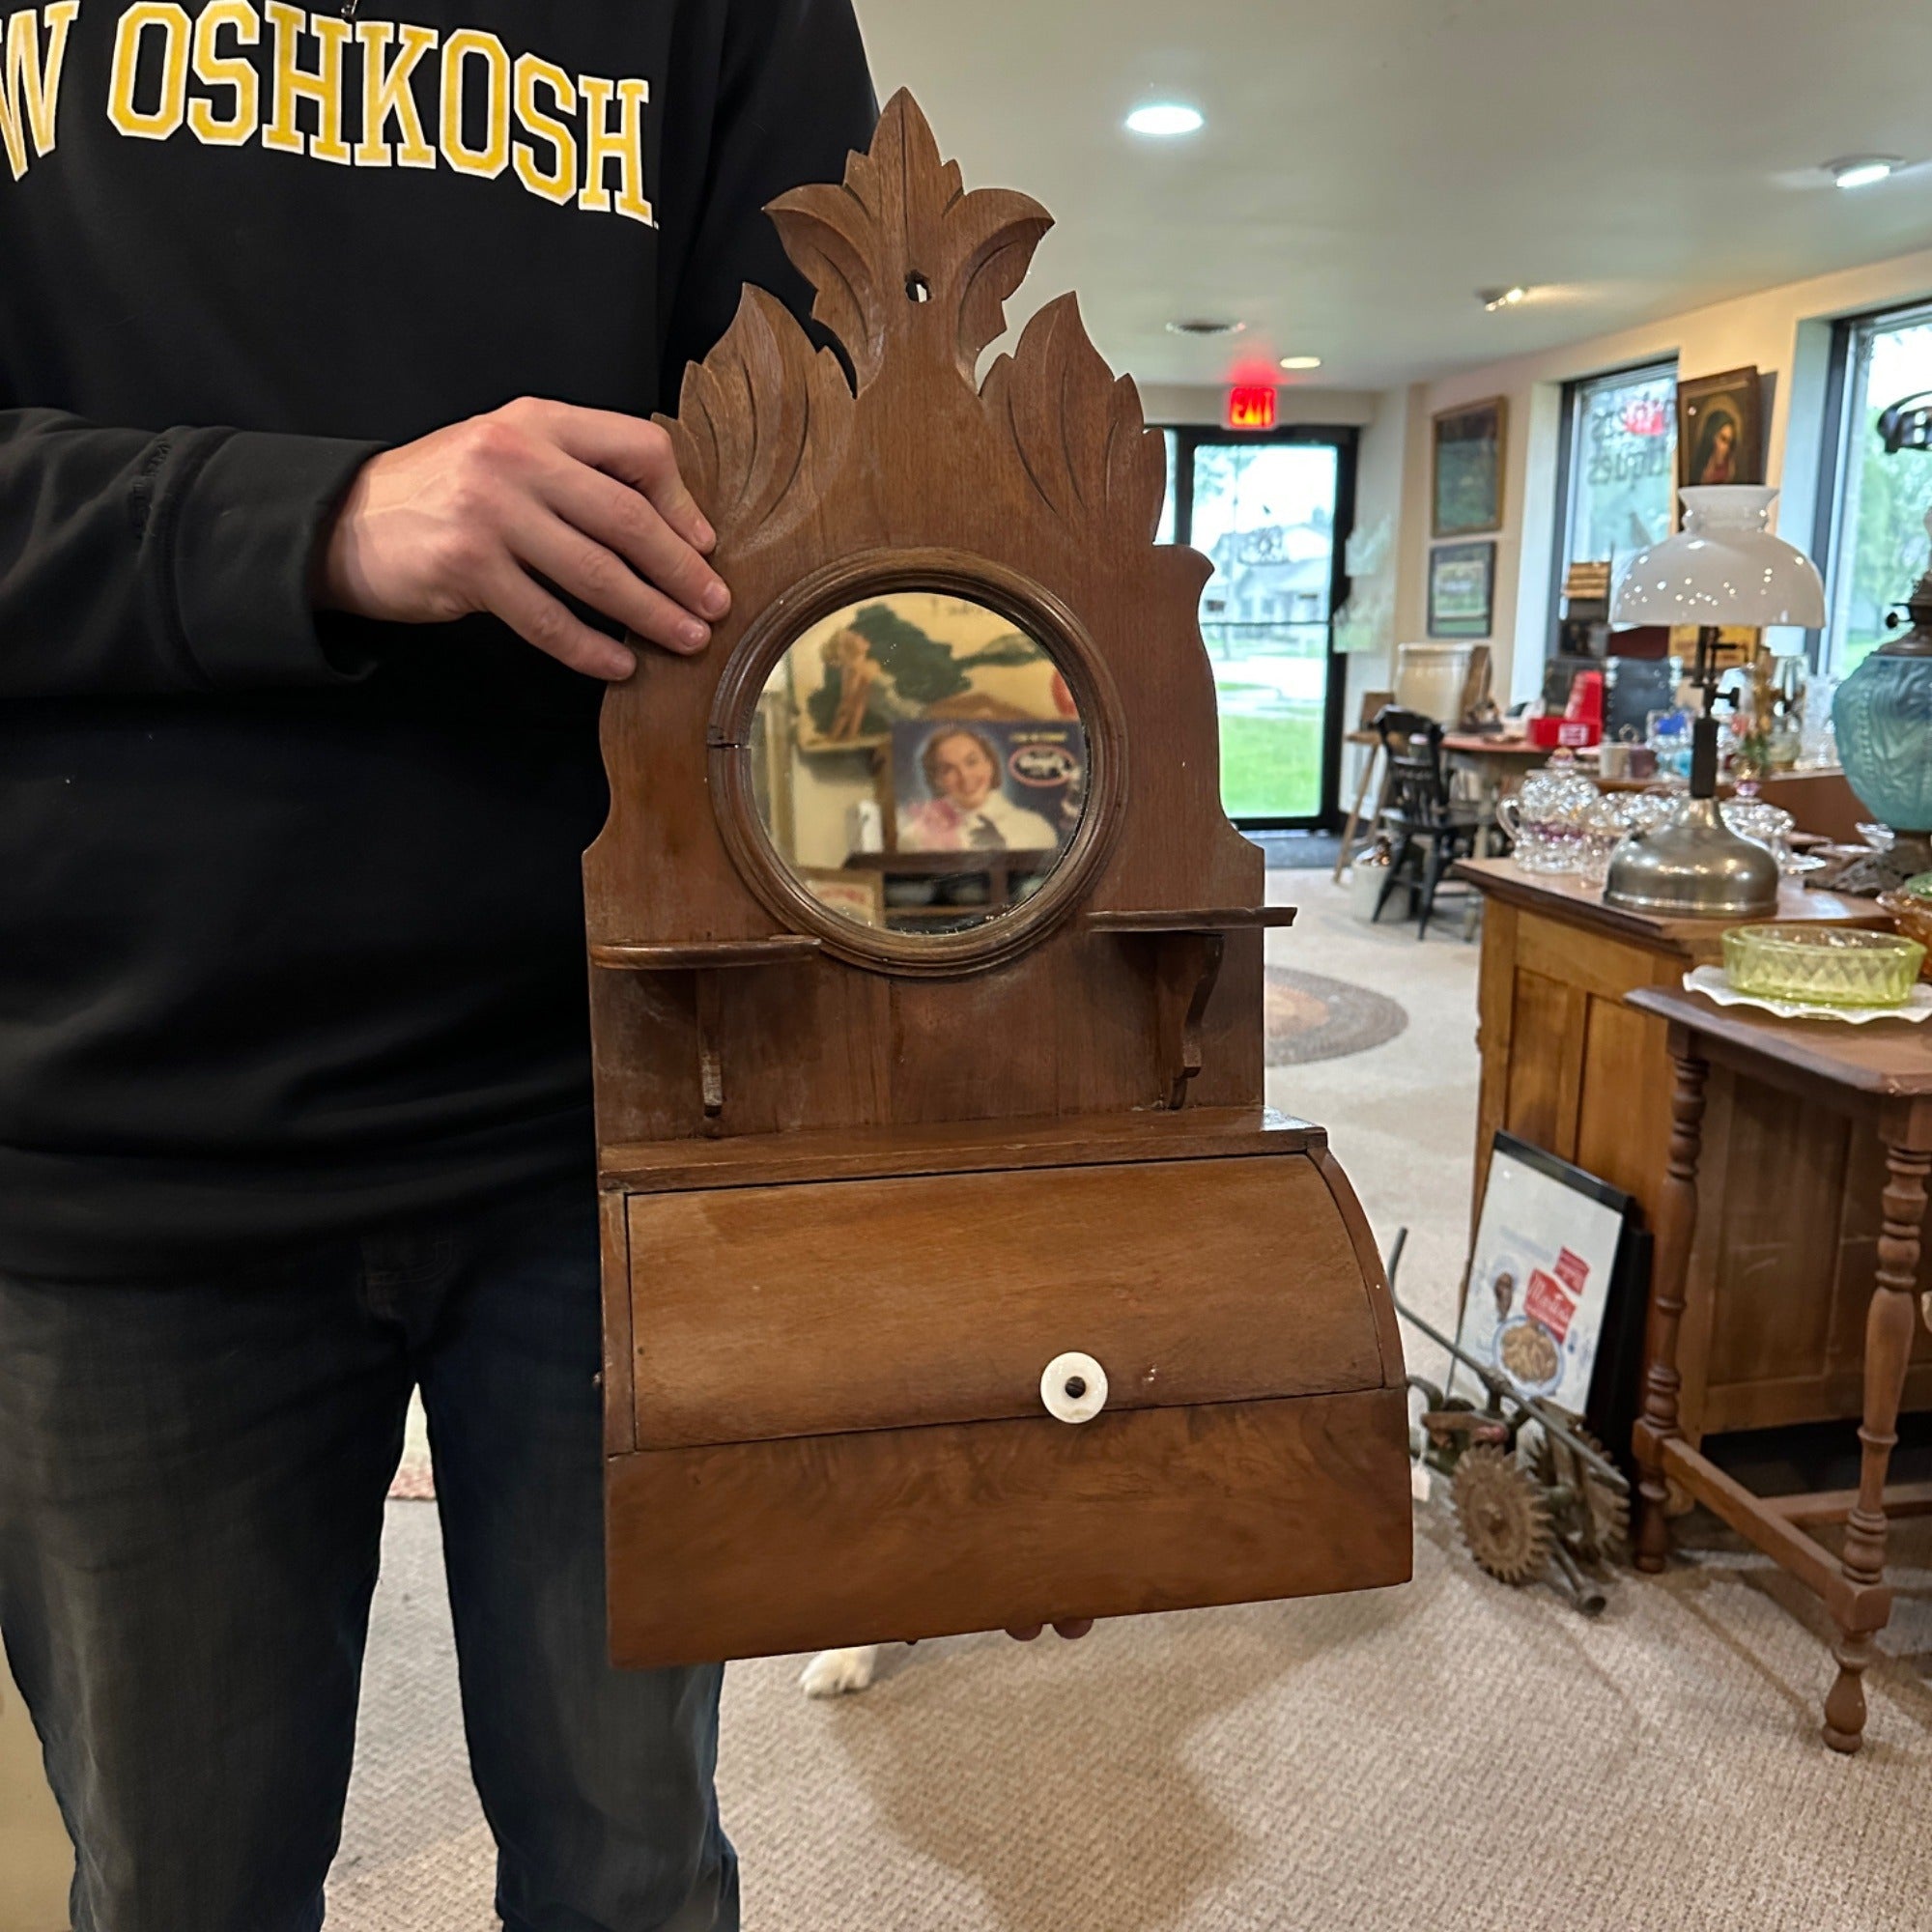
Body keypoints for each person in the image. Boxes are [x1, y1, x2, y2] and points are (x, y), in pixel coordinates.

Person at [0, 6, 892, 1929]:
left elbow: (841, 477)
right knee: (176, 1892)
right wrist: (315, 519)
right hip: (121, 1133)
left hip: (619, 1116)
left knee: (637, 1872)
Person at [898, 725, 1062, 851]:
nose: (965, 776)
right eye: (948, 769)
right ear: (937, 780)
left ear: (989, 765)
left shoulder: (1035, 828)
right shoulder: (915, 838)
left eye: (972, 762)